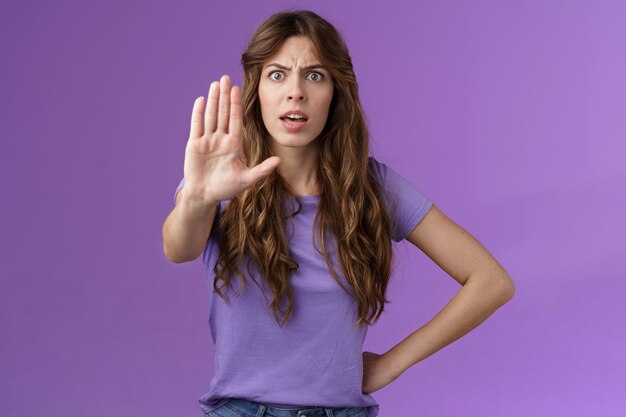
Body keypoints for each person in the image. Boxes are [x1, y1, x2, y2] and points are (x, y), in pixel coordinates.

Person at [162, 9, 515, 417]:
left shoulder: (374, 187)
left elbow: (492, 281)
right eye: (277, 74)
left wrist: (391, 363)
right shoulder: (223, 175)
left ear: (336, 91)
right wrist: (198, 198)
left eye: (314, 75)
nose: (295, 92)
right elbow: (178, 248)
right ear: (257, 89)